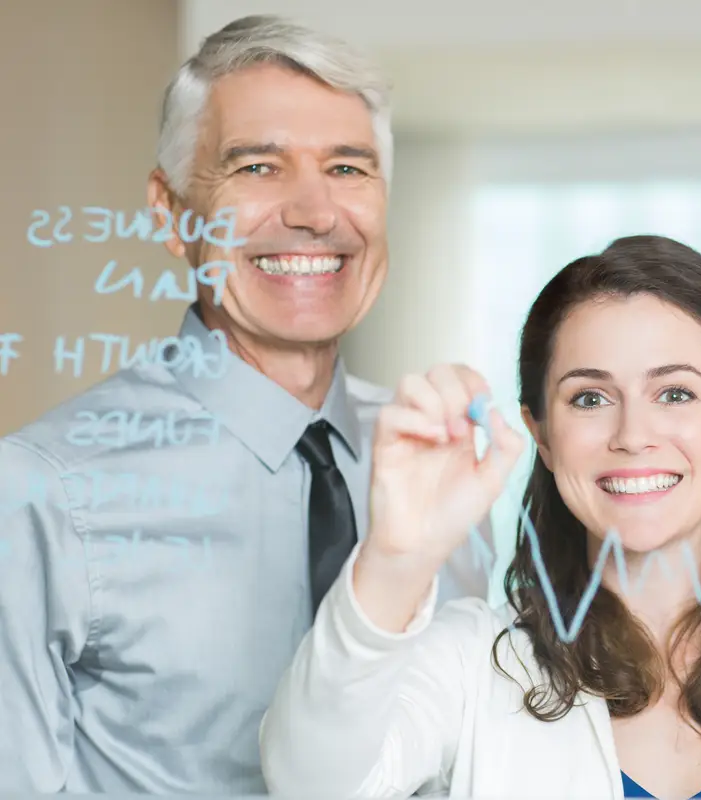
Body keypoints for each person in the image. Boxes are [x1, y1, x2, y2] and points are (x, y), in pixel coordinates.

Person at [0, 15, 490, 794]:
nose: (315, 213)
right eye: (259, 166)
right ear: (170, 213)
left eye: (348, 168)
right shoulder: (43, 492)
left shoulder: (441, 471)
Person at [258, 234, 701, 799]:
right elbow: (310, 784)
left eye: (674, 393)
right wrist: (397, 556)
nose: (632, 435)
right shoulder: (468, 667)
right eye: (589, 398)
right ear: (541, 435)